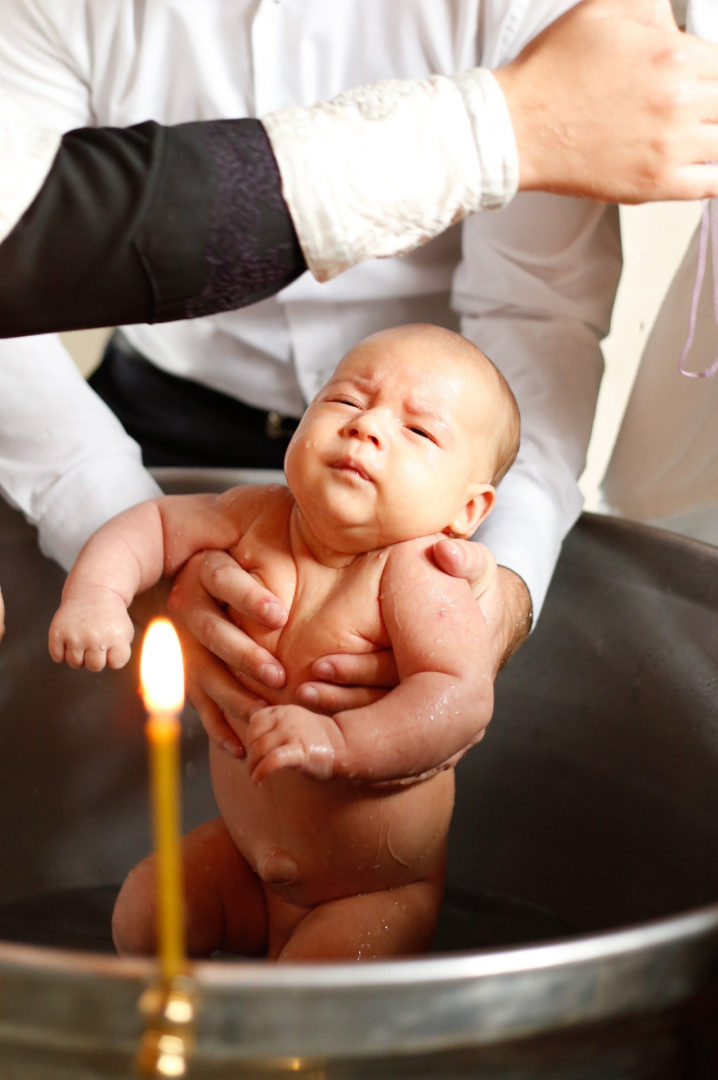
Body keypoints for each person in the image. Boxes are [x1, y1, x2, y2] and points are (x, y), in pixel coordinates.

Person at [1, 0, 717, 741]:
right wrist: (105, 525)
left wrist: (505, 577)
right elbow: (9, 247)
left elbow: (534, 316)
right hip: (143, 424)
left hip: (439, 468)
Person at [50, 324, 520, 961]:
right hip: (243, 862)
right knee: (145, 912)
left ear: (468, 511)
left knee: (304, 1008)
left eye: (418, 431)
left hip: (371, 895)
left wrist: (337, 742)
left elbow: (460, 700)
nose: (366, 427)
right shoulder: (252, 515)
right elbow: (153, 524)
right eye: (346, 401)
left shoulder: (419, 574)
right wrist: (98, 597)